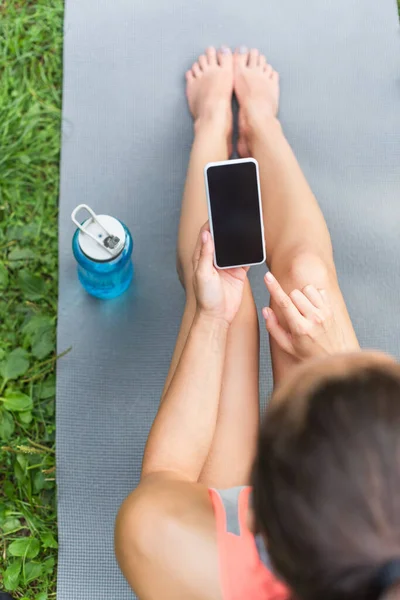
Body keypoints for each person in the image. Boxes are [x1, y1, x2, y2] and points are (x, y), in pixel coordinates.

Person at [114, 46, 400, 600]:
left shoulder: (163, 545)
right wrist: (333, 356)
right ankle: (263, 130)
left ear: (259, 518)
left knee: (226, 289)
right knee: (310, 280)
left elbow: (167, 474)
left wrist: (211, 321)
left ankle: (212, 127)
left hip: (237, 532)